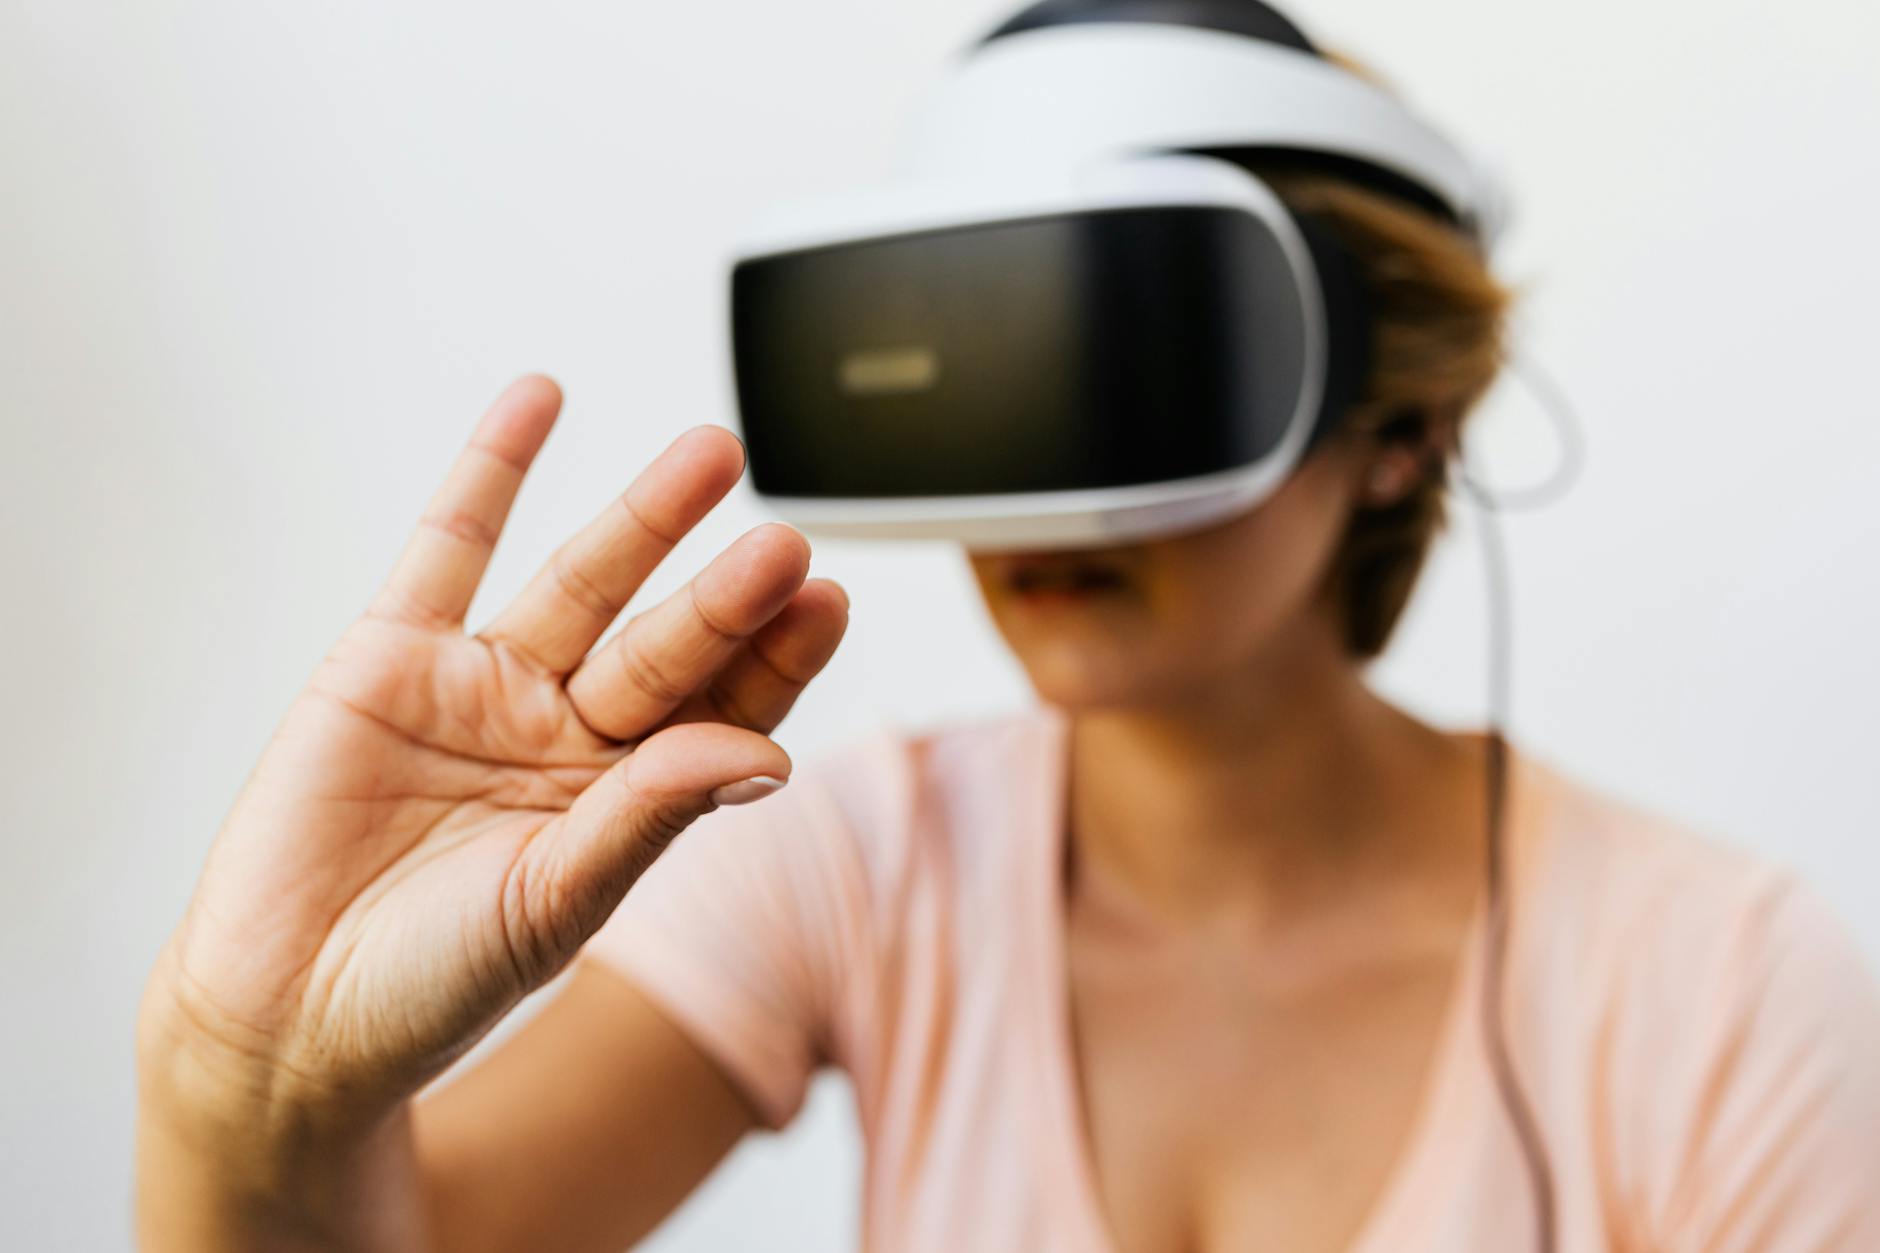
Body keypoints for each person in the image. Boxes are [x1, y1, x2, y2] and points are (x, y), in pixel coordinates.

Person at [133, 5, 1880, 1252]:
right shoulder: (850, 854)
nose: (1037, 508)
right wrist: (241, 1072)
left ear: (1400, 424)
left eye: (1116, 362)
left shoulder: (1718, 989)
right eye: (988, 385)